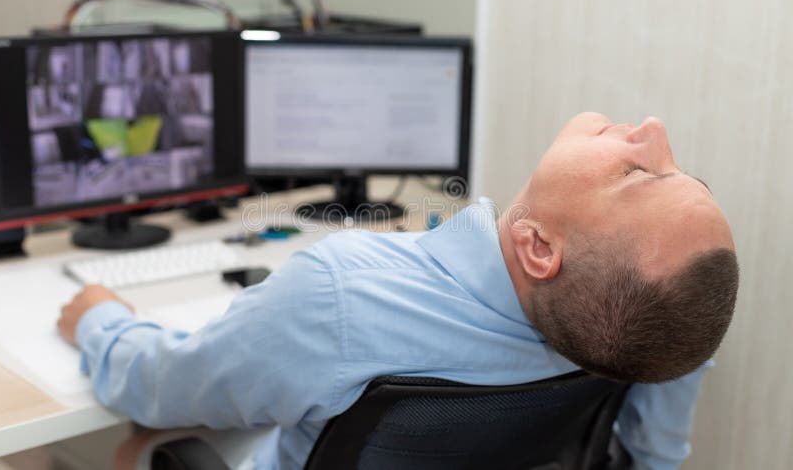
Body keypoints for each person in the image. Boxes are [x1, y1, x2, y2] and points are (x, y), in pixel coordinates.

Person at [58, 112, 739, 469]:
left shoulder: (340, 295)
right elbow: (655, 450)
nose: (655, 131)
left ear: (538, 247)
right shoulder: (650, 330)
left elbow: (151, 385)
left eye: (644, 174)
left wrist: (100, 319)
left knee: (135, 442)